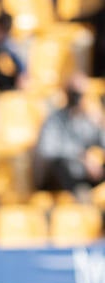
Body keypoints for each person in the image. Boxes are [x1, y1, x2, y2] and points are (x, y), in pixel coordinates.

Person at [33, 73, 105, 201]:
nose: (77, 98)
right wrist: (81, 156)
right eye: (74, 93)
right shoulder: (54, 119)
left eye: (80, 93)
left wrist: (101, 125)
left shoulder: (88, 119)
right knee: (63, 165)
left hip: (86, 173)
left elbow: (101, 143)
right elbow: (46, 150)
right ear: (66, 93)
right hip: (58, 178)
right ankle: (81, 197)